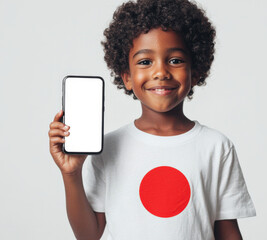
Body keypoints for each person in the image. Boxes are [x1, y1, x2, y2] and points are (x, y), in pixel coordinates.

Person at [48, 0, 256, 239]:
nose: (161, 72)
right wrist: (71, 174)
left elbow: (227, 232)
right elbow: (89, 235)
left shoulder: (217, 147)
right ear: (126, 77)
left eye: (175, 60)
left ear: (195, 72)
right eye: (145, 62)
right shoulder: (108, 149)